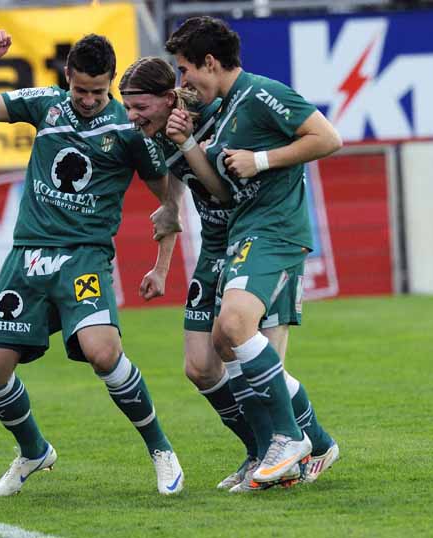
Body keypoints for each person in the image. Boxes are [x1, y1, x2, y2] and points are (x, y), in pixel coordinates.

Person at [0, 30, 184, 496]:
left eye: (98, 92)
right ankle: (33, 451)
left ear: (111, 83)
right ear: (67, 77)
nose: (87, 100)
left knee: (103, 352)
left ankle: (161, 450)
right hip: (28, 255)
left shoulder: (129, 130)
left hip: (84, 257)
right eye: (80, 90)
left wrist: (162, 266)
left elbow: (169, 205)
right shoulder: (46, 105)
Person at [121, 56, 339, 491]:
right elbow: (175, 186)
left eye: (139, 106)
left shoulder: (215, 112)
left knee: (253, 352)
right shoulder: (154, 134)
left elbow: (222, 191)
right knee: (201, 366)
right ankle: (264, 450)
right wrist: (163, 258)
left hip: (258, 235)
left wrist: (191, 145)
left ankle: (305, 445)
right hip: (215, 245)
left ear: (168, 98)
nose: (132, 116)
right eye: (127, 107)